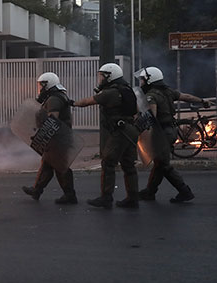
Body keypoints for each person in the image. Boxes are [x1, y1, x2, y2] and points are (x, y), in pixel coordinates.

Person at [134, 66, 209, 203]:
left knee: (163, 165)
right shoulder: (168, 91)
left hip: (161, 133)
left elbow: (152, 117)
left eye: (143, 80)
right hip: (171, 130)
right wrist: (202, 101)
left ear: (150, 80)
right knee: (159, 163)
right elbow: (186, 97)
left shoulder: (151, 96)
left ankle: (184, 191)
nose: (141, 82)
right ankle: (150, 191)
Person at [73, 63, 140, 209]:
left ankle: (106, 197)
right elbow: (136, 110)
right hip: (130, 129)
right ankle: (132, 198)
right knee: (128, 164)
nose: (100, 79)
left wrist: (73, 103)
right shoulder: (127, 89)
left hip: (120, 131)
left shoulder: (110, 92)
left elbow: (87, 101)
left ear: (110, 76)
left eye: (102, 76)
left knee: (108, 162)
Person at [22, 72, 78, 205]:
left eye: (41, 85)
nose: (40, 88)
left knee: (60, 166)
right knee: (47, 164)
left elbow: (52, 120)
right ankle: (37, 190)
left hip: (57, 138)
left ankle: (70, 195)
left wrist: (42, 135)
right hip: (56, 138)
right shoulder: (56, 96)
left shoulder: (54, 99)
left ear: (48, 85)